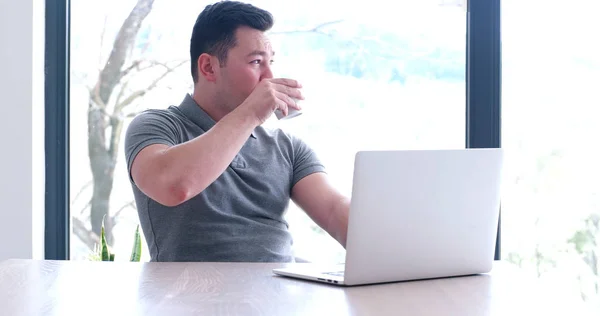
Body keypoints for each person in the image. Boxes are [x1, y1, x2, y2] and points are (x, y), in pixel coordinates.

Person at [124, 0, 349, 262]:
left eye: (271, 62)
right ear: (208, 67)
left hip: (281, 294)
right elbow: (173, 186)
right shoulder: (157, 126)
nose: (269, 76)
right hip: (192, 299)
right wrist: (251, 113)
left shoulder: (287, 147)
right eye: (256, 62)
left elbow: (334, 211)